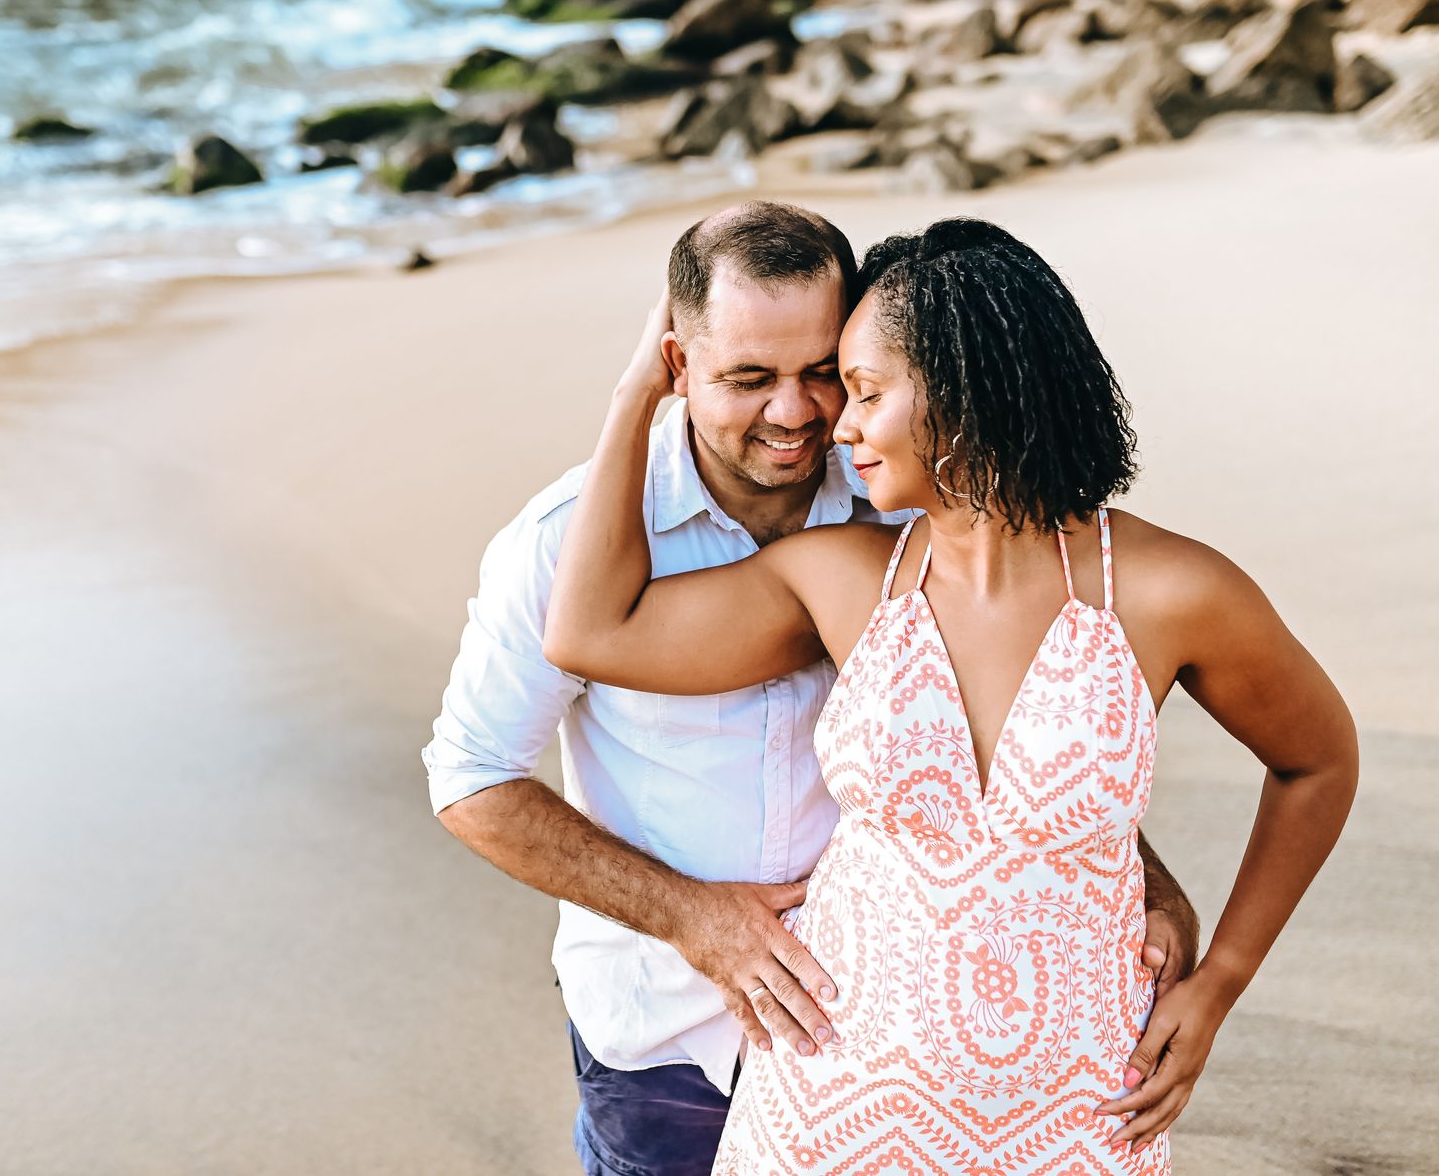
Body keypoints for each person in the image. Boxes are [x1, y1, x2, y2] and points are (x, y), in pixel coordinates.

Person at [543, 217, 1359, 1173]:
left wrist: (1220, 978)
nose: (833, 424)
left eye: (863, 391)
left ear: (962, 396)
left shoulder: (1169, 590)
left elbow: (1318, 760)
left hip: (1075, 1110)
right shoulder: (844, 579)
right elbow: (592, 631)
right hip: (831, 1105)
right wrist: (644, 388)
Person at [423, 203, 1202, 1176]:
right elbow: (471, 778)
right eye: (749, 379)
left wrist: (1157, 890)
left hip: (902, 1044)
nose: (794, 411)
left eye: (821, 373)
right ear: (677, 366)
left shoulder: (904, 498)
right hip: (668, 1033)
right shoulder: (563, 544)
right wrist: (692, 916)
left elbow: (1024, 732)